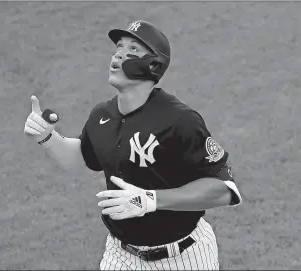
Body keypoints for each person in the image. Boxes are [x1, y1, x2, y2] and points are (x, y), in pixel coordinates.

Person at [24, 20, 243, 270]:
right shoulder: (101, 116)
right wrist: (48, 137)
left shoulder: (179, 120)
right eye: (118, 47)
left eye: (133, 50)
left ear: (153, 65)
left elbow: (223, 189)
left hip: (184, 257)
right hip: (121, 256)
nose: (118, 54)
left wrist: (149, 200)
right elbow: (82, 158)